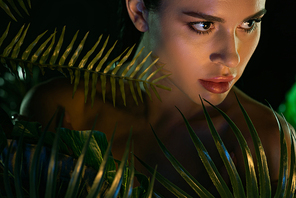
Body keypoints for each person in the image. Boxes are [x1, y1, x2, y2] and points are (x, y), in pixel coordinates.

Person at [19, 0, 295, 196]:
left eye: (249, 23)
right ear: (139, 10)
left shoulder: (261, 141)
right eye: (203, 24)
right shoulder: (64, 109)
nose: (231, 56)